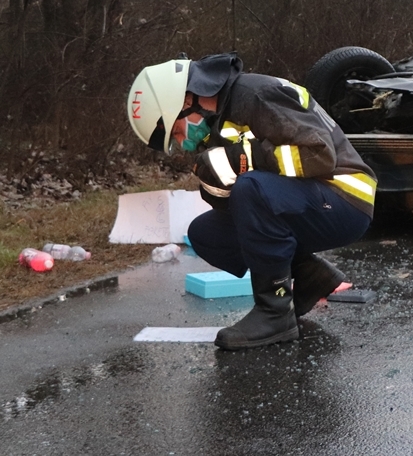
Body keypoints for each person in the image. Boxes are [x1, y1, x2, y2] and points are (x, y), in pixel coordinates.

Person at [127, 52, 376, 350]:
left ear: (185, 102)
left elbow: (318, 156)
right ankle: (310, 276)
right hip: (308, 199)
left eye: (177, 132)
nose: (183, 143)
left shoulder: (257, 95)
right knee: (206, 234)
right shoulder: (218, 121)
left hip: (344, 197)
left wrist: (243, 160)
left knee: (252, 187)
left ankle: (275, 314)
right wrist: (217, 186)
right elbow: (245, 207)